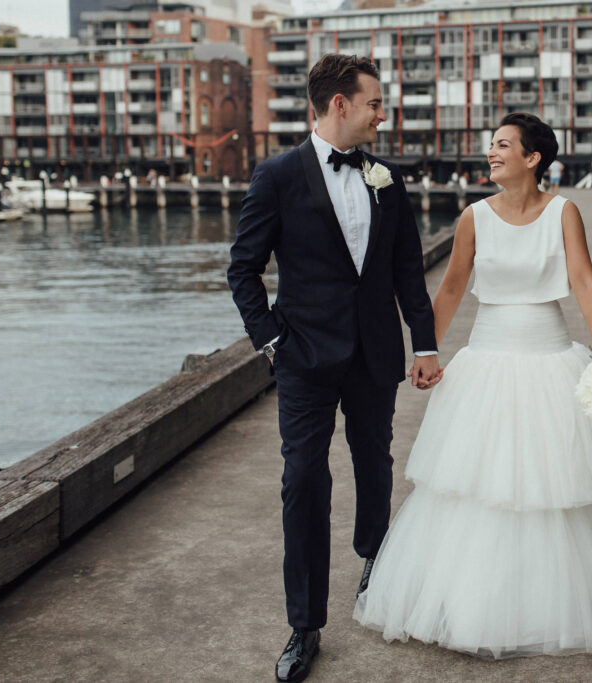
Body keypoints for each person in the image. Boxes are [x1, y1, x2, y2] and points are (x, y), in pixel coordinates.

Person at [354, 112, 592, 658]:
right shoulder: (473, 218)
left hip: (551, 356)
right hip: (486, 360)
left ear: (532, 158)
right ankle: (475, 603)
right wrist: (425, 350)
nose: (491, 153)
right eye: (491, 145)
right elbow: (451, 290)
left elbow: (583, 279)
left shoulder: (564, 212)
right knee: (480, 484)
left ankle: (563, 602)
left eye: (503, 145)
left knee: (558, 481)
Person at [227, 54, 442, 682]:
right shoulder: (276, 177)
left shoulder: (388, 177)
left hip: (375, 352)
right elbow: (243, 270)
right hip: (304, 359)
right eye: (375, 102)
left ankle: (374, 562)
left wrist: (423, 345)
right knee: (303, 481)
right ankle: (304, 625)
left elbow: (407, 269)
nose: (384, 113)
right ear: (340, 105)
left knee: (375, 461)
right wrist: (270, 340)